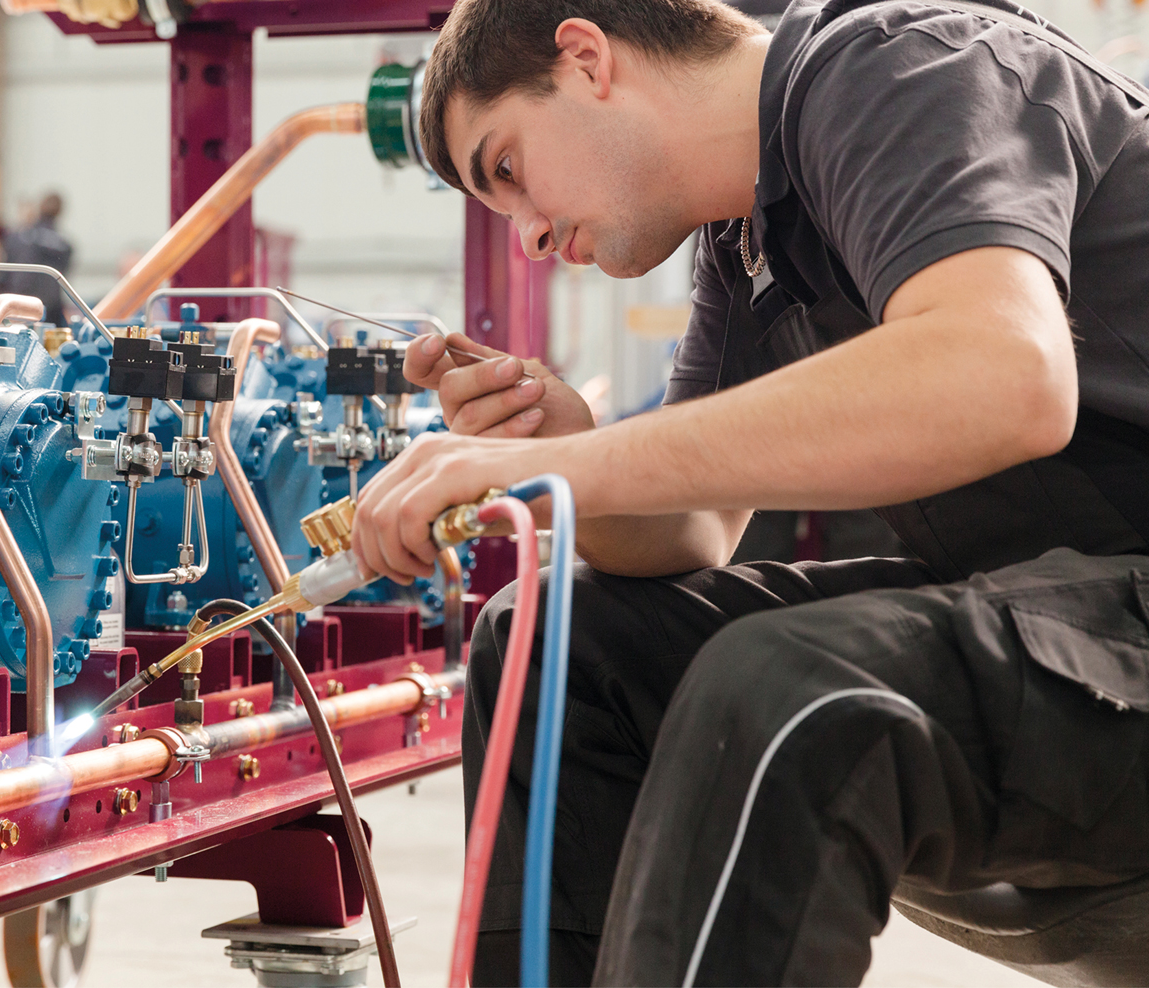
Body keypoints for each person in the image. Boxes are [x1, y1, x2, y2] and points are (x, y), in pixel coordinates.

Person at [347, 0, 1149, 983]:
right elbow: (693, 538)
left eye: (506, 168)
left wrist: (543, 471)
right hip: (1068, 611)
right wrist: (567, 456)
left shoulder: (901, 67)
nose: (528, 236)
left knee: (790, 683)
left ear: (587, 58)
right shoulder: (748, 238)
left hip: (1122, 612)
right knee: (554, 641)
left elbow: (1005, 378)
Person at [0, 191, 75, 326]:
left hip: (17, 307)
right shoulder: (65, 246)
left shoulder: (17, 238)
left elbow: (3, 275)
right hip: (50, 311)